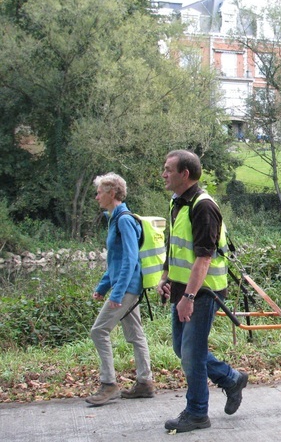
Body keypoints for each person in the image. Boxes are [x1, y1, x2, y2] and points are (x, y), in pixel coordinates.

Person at [158, 149, 248, 433]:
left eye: (168, 169)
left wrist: (189, 297)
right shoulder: (178, 203)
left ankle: (197, 412)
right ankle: (231, 378)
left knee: (192, 353)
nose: (164, 174)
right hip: (183, 289)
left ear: (185, 174)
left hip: (203, 292)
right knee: (181, 348)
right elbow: (176, 245)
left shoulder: (203, 206)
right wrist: (166, 276)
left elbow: (204, 257)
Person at [86, 173, 154, 405]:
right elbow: (116, 260)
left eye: (99, 192)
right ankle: (145, 383)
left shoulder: (124, 219)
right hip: (125, 286)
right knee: (136, 335)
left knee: (99, 331)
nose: (96, 197)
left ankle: (109, 384)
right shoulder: (114, 218)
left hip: (127, 288)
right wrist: (103, 286)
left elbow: (130, 260)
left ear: (112, 193)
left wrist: (116, 294)